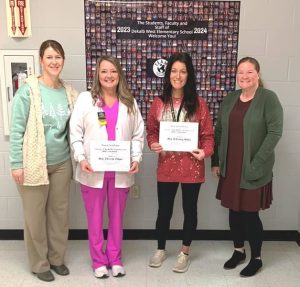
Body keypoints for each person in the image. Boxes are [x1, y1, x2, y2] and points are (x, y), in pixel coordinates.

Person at [70, 55, 144, 278]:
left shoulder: (129, 101)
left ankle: (115, 257)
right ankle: (98, 260)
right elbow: (75, 132)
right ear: (97, 75)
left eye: (113, 71)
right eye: (104, 71)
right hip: (92, 171)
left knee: (117, 218)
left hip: (120, 172)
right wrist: (81, 158)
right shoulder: (86, 100)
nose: (109, 75)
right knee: (94, 219)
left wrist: (136, 158)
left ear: (119, 74)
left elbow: (138, 134)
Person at [9, 40, 78, 282]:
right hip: (33, 162)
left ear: (63, 60)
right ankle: (40, 264)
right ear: (40, 60)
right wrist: (16, 164)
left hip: (61, 163)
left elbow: (80, 124)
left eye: (58, 57)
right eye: (49, 57)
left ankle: (57, 259)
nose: (54, 62)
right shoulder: (28, 90)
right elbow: (16, 129)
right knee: (35, 217)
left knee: (59, 215)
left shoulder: (69, 93)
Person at [211, 57, 283, 277]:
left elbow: (274, 133)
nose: (244, 76)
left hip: (253, 167)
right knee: (234, 212)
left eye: (249, 72)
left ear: (258, 75)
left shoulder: (268, 98)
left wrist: (256, 163)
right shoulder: (231, 98)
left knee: (250, 215)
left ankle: (256, 258)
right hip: (230, 167)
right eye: (241, 72)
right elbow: (219, 131)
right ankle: (238, 251)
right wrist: (216, 161)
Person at [147, 52, 214, 273]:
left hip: (191, 167)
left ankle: (184, 252)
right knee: (163, 211)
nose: (178, 75)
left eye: (183, 71)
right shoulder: (158, 103)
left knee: (190, 211)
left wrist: (204, 152)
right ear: (168, 75)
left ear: (189, 75)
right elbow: (152, 133)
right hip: (166, 166)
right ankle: (160, 248)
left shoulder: (199, 104)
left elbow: (208, 136)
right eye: (174, 71)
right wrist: (154, 144)